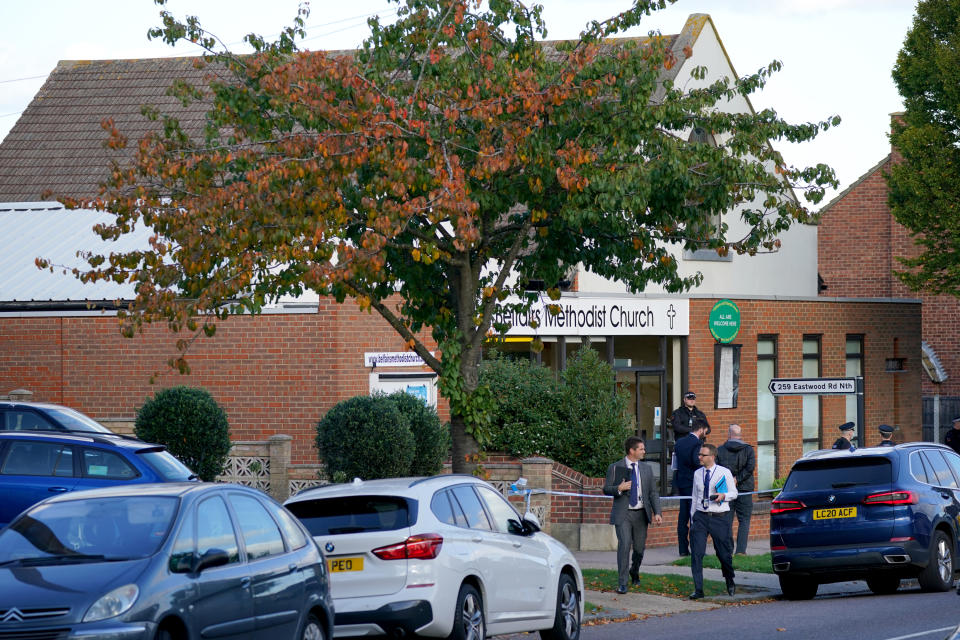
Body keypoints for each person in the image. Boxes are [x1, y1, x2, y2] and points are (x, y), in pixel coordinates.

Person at [603, 437, 663, 594]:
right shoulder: (615, 467)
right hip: (623, 514)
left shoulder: (646, 469)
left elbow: (652, 493)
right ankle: (622, 583)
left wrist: (657, 512)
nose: (644, 451)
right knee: (624, 546)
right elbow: (606, 488)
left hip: (641, 514)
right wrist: (619, 488)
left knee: (639, 549)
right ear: (632, 451)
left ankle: (634, 570)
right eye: (641, 449)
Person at [688, 443, 737, 600]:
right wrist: (692, 517)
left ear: (712, 457)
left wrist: (724, 496)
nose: (699, 457)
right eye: (699, 455)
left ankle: (729, 579)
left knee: (723, 554)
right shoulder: (697, 474)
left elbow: (734, 493)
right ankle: (698, 589)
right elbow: (695, 496)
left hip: (719, 517)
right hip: (701, 517)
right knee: (697, 553)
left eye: (703, 455)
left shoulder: (724, 472)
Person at [716, 424, 756, 555]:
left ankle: (728, 549)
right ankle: (740, 551)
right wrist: (737, 479)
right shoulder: (749, 450)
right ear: (740, 435)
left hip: (726, 490)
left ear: (729, 435)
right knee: (744, 520)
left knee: (727, 520)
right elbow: (750, 468)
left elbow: (717, 470)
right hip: (745, 489)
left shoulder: (720, 450)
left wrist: (731, 480)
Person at [674, 421, 708, 556]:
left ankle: (683, 549)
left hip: (682, 483)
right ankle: (697, 549)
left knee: (683, 517)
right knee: (696, 516)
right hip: (693, 484)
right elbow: (696, 461)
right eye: (705, 431)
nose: (705, 434)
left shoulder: (679, 442)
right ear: (700, 430)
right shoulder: (697, 444)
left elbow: (676, 463)